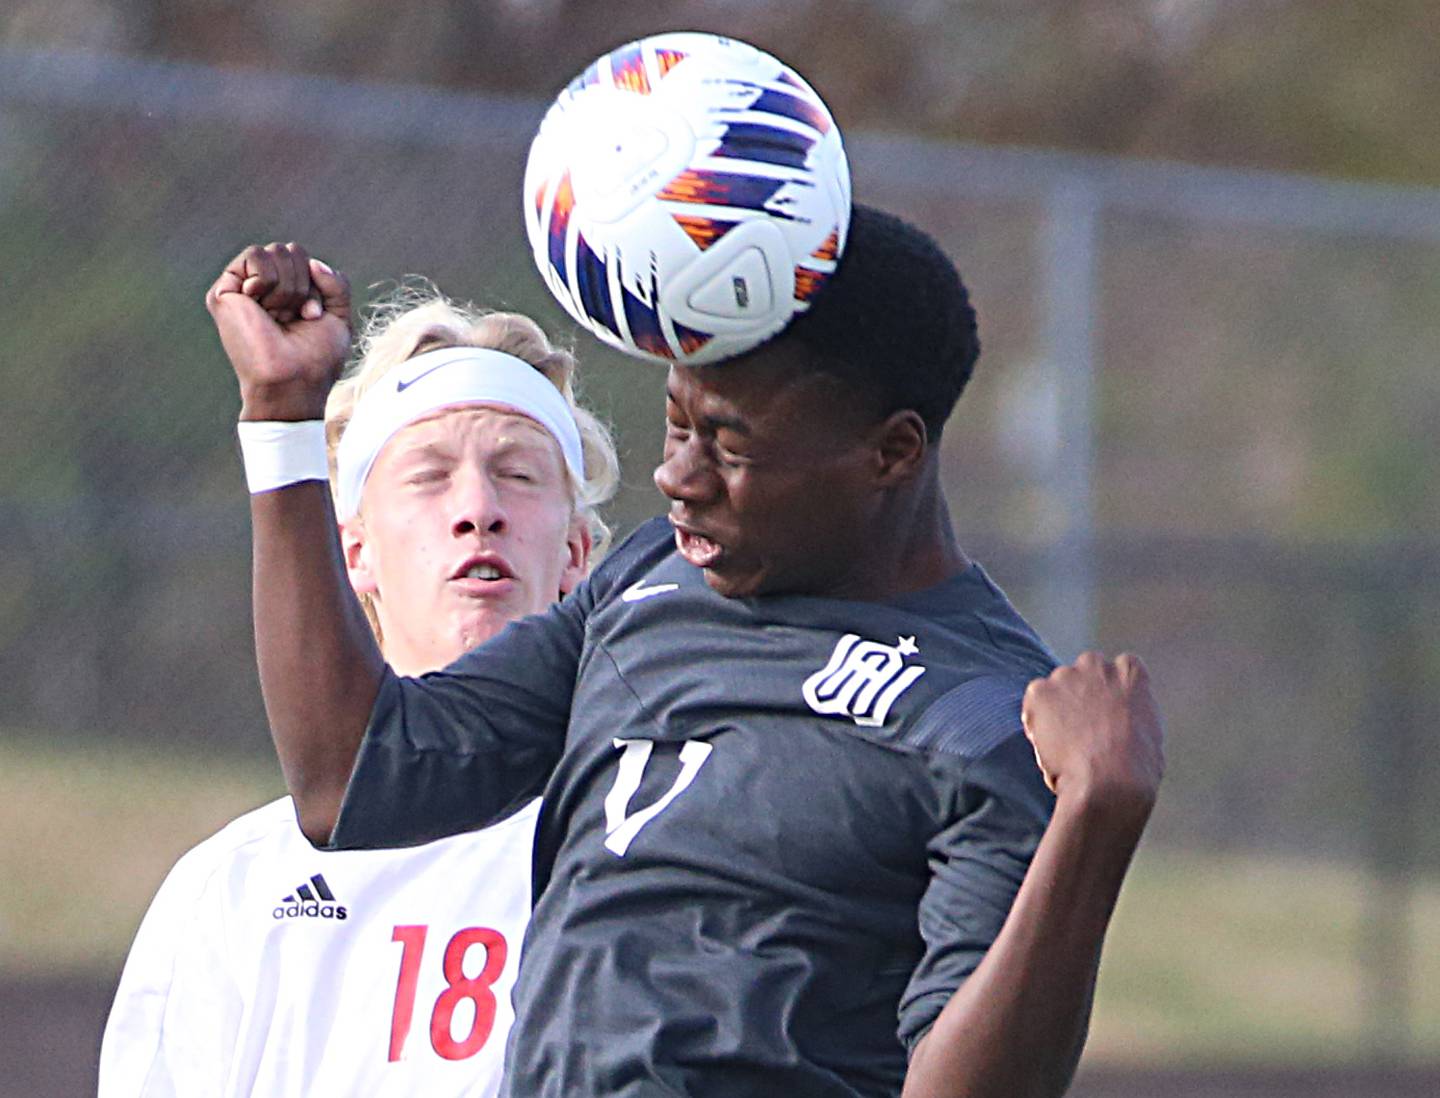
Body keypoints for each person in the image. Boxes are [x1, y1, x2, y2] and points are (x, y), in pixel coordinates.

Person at [212, 206, 1165, 1098]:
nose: (675, 474)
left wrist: (1094, 822)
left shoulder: (986, 716)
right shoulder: (651, 580)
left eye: (729, 445)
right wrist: (283, 417)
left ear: (892, 454)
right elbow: (354, 776)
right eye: (676, 422)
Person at [98, 267, 621, 1097]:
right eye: (429, 473)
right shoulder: (236, 888)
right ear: (353, 553)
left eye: (518, 475)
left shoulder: (642, 842)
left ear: (577, 557)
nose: (477, 507)